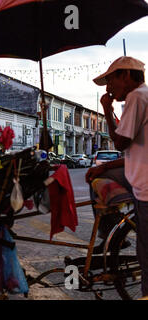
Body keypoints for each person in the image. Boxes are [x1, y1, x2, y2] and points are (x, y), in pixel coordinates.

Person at [85, 56, 148, 297]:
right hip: (138, 175)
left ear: (126, 76)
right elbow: (134, 149)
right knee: (99, 174)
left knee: (147, 259)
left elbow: (121, 142)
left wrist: (107, 110)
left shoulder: (137, 97)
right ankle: (112, 233)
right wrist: (105, 166)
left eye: (111, 81)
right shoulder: (142, 96)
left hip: (146, 187)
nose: (108, 88)